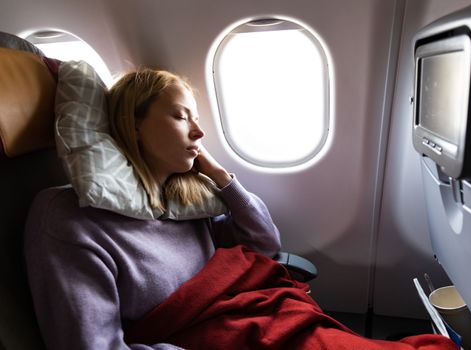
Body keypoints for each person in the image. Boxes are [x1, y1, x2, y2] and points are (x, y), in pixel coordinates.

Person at [24, 68, 282, 350]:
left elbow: (263, 246)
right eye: (181, 117)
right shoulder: (70, 220)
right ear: (134, 126)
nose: (199, 131)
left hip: (249, 324)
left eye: (196, 118)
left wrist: (221, 177)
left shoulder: (186, 204)